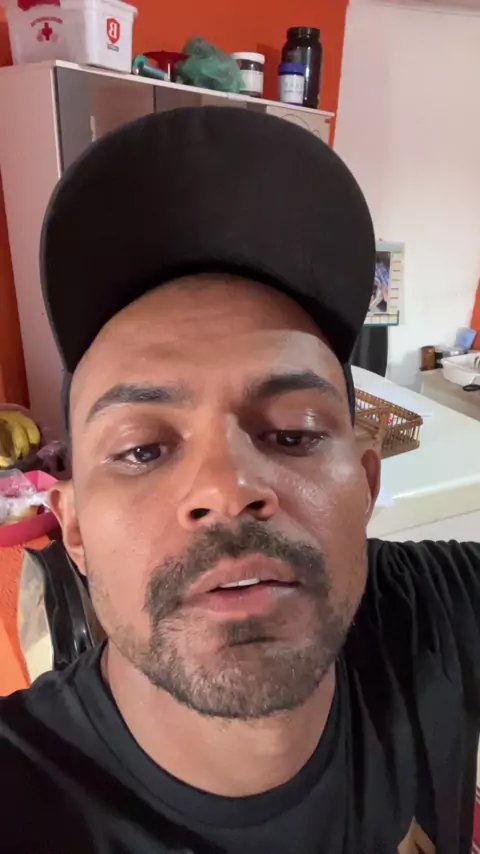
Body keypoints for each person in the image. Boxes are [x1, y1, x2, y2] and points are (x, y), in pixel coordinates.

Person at [0, 107, 479, 854]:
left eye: (292, 433)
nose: (227, 488)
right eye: (142, 450)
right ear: (76, 528)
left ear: (365, 486)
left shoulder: (437, 615)